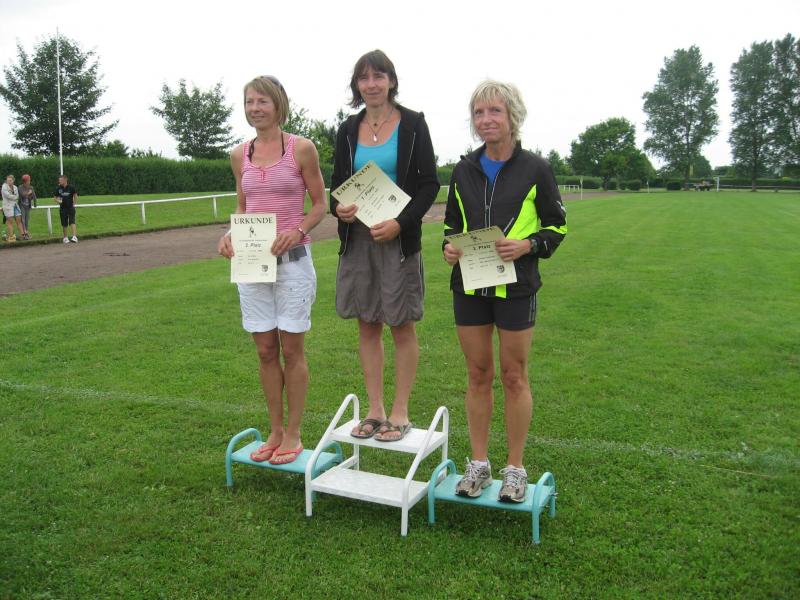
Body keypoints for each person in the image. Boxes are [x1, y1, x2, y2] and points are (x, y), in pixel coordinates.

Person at [442, 80, 567, 502]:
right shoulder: (463, 169)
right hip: (470, 288)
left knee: (514, 376)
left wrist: (528, 245)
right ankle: (478, 464)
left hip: (516, 288)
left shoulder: (536, 169)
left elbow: (557, 226)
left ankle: (515, 469)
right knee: (478, 375)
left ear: (512, 115)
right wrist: (448, 249)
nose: (486, 119)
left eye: (494, 111)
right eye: (478, 112)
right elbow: (451, 227)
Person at [330, 50, 439, 442]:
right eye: (364, 78)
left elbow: (429, 184)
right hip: (359, 239)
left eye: (379, 76)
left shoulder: (413, 124)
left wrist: (400, 223)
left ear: (391, 80)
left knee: (401, 324)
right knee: (367, 323)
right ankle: (375, 410)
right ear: (356, 85)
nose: (371, 84)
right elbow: (336, 186)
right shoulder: (347, 129)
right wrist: (339, 209)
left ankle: (400, 412)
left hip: (398, 239)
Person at [218, 75, 326, 465]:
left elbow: (320, 204)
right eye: (249, 102)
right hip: (252, 265)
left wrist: (297, 231)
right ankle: (275, 430)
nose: (255, 108)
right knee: (265, 350)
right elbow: (243, 206)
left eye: (262, 101)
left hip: (293, 264)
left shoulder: (302, 148)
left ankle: (294, 434)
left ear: (278, 104)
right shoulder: (239, 154)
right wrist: (229, 234)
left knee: (292, 350)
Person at [54, 175, 78, 243]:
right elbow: (55, 198)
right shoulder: (58, 188)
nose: (59, 181)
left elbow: (75, 195)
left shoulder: (71, 187)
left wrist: (74, 204)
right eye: (59, 180)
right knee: (64, 223)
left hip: (70, 207)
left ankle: (74, 237)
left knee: (72, 221)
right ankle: (65, 237)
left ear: (65, 180)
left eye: (60, 180)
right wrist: (58, 201)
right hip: (62, 208)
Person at [2, 175, 24, 242]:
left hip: (15, 205)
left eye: (10, 180)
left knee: (19, 220)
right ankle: (12, 237)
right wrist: (14, 197)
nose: (9, 182)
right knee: (10, 222)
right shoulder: (4, 186)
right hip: (8, 206)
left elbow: (17, 196)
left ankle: (22, 235)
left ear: (13, 180)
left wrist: (14, 197)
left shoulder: (15, 187)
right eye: (8, 180)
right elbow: (7, 196)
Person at [18, 174, 37, 240]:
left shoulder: (31, 187)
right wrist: (28, 193)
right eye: (28, 180)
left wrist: (35, 203)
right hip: (22, 205)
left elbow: (34, 196)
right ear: (25, 181)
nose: (29, 181)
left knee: (26, 220)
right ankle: (24, 234)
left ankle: (26, 233)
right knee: (22, 220)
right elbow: (22, 195)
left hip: (28, 206)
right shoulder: (20, 187)